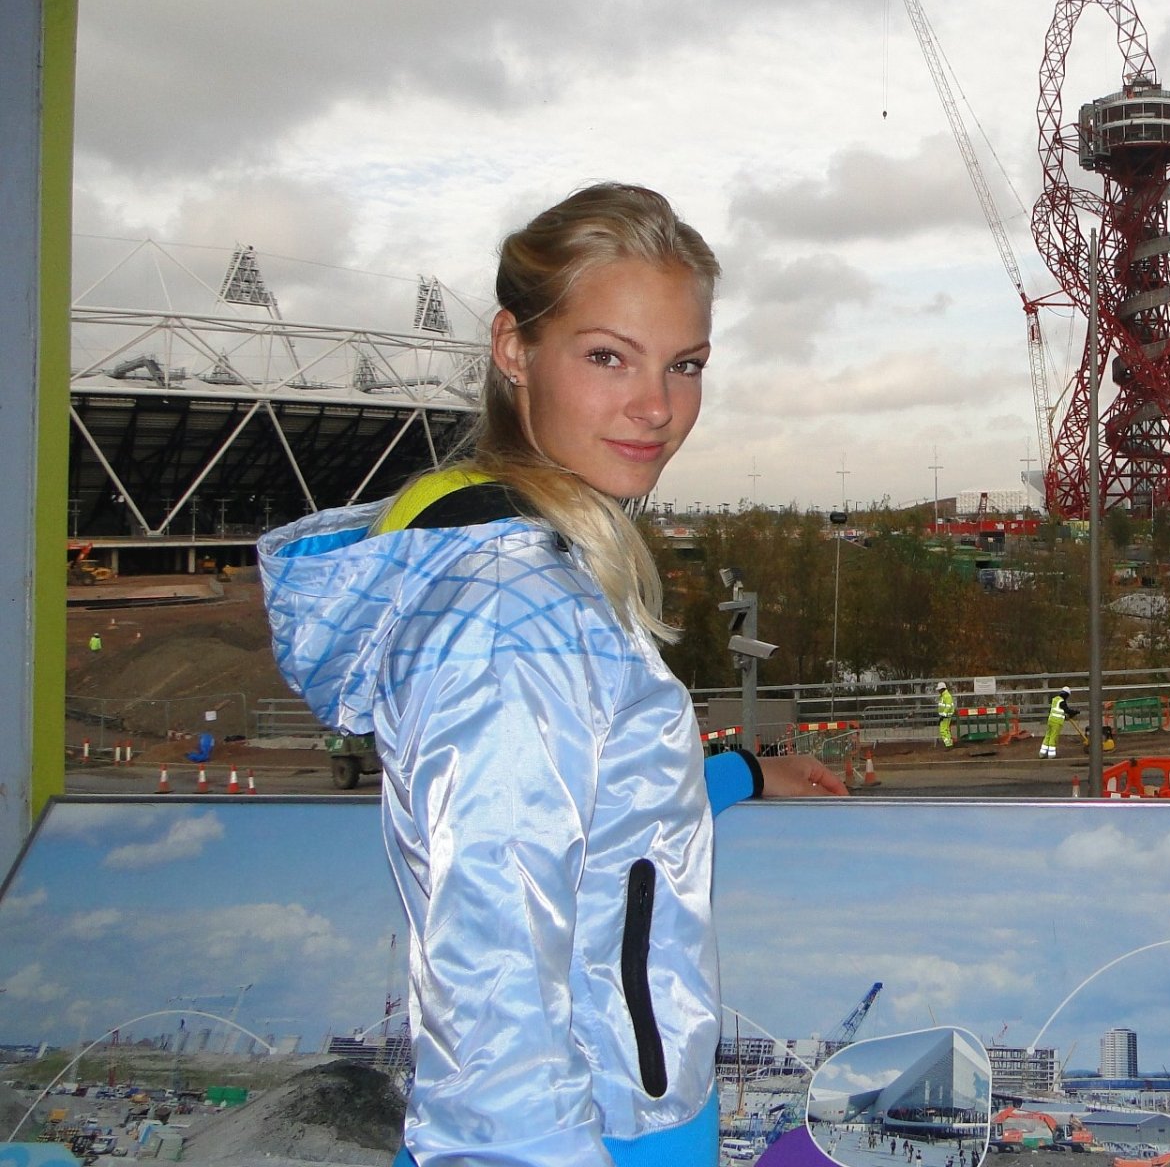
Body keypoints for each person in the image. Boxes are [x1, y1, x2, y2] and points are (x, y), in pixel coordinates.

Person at [259, 184, 845, 1167]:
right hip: (597, 1137)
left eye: (685, 364)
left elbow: (582, 824)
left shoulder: (537, 562)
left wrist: (734, 774)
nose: (657, 407)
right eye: (607, 356)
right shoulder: (507, 616)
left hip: (628, 1117)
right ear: (514, 348)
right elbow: (491, 989)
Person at [1039, 690, 1075, 758]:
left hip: (1051, 720)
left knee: (1048, 736)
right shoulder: (1062, 701)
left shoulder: (1055, 699)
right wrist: (1075, 712)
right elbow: (1067, 710)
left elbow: (1058, 710)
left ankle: (1042, 753)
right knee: (1053, 737)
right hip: (1057, 722)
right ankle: (1051, 754)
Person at [936, 681, 955, 748]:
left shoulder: (946, 696)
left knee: (943, 731)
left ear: (942, 689)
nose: (938, 691)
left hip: (945, 716)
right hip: (945, 716)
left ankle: (948, 745)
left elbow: (948, 706)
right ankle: (950, 744)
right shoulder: (945, 695)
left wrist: (943, 715)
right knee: (946, 730)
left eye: (939, 689)